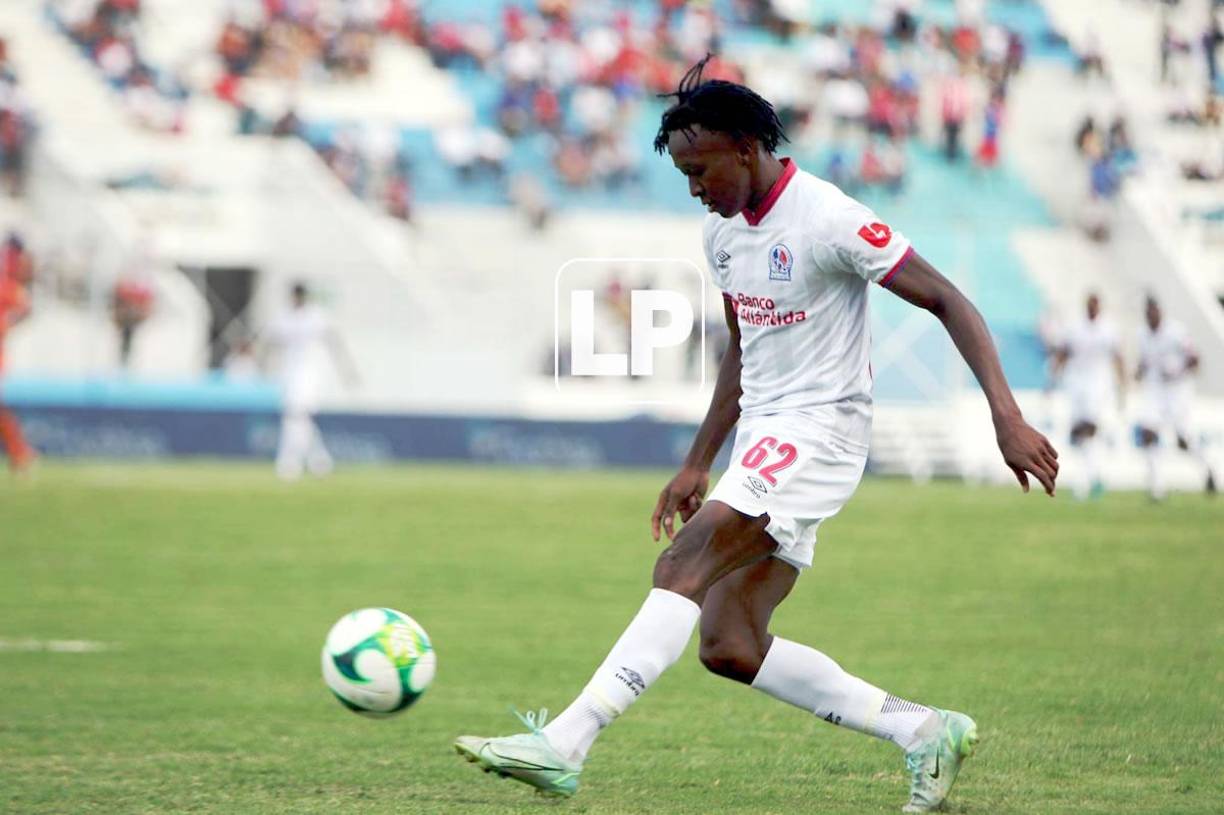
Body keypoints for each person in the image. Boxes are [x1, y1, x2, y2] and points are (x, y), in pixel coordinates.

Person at [455, 59, 1059, 813]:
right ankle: (925, 731)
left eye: (700, 169)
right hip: (765, 440)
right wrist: (697, 459)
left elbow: (947, 297)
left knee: (685, 558)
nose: (694, 188)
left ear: (746, 146)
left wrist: (1005, 413)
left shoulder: (829, 218)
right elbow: (743, 350)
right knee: (731, 644)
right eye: (683, 174)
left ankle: (566, 743)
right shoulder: (722, 237)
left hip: (822, 432)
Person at [265, 282, 359, 481]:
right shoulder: (284, 317)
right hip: (289, 373)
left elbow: (333, 341)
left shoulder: (315, 317)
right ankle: (319, 460)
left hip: (310, 373)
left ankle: (289, 462)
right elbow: (271, 342)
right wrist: (263, 365)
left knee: (296, 415)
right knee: (299, 417)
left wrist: (346, 370)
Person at [1134, 296, 1217, 500]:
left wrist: (1178, 371)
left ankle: (1209, 468)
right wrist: (1138, 372)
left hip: (1177, 391)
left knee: (1183, 439)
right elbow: (1145, 361)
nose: (1151, 317)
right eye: (1148, 313)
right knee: (1148, 433)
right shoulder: (1142, 334)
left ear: (1160, 312)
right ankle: (1156, 488)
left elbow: (1195, 359)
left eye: (1154, 312)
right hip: (1155, 390)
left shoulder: (1176, 332)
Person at [1050, 293, 1125, 499]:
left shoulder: (1109, 330)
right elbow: (1062, 354)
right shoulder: (1074, 327)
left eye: (1096, 304)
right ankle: (1095, 478)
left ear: (1100, 306)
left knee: (1088, 430)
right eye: (1090, 304)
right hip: (1075, 384)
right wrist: (1051, 381)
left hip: (1098, 385)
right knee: (1079, 436)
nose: (1093, 308)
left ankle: (1082, 485)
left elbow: (1118, 358)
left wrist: (1122, 387)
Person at [0, 245, 35, 473]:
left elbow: (25, 308)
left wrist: (7, 325)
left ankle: (20, 452)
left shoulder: (7, 287)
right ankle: (20, 453)